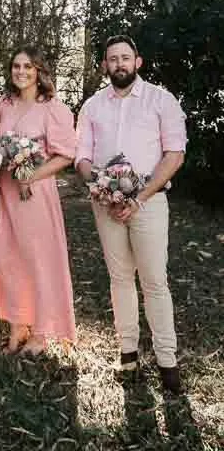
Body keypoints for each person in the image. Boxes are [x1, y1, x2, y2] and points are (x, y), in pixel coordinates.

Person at [75, 34, 186, 394]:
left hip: (149, 202)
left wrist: (139, 196)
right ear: (105, 65)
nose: (119, 64)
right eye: (112, 59)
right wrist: (104, 189)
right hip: (105, 204)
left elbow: (174, 154)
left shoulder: (160, 99)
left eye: (125, 57)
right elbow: (82, 158)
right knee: (120, 278)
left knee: (155, 281)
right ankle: (128, 353)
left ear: (137, 62)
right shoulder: (92, 106)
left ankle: (167, 360)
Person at [0, 46, 77, 355]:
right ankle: (18, 325)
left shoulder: (52, 107)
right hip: (4, 191)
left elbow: (66, 154)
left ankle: (42, 332)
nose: (21, 72)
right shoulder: (3, 105)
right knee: (6, 256)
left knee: (38, 259)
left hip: (35, 193)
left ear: (39, 71)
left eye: (28, 66)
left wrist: (33, 174)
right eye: (16, 66)